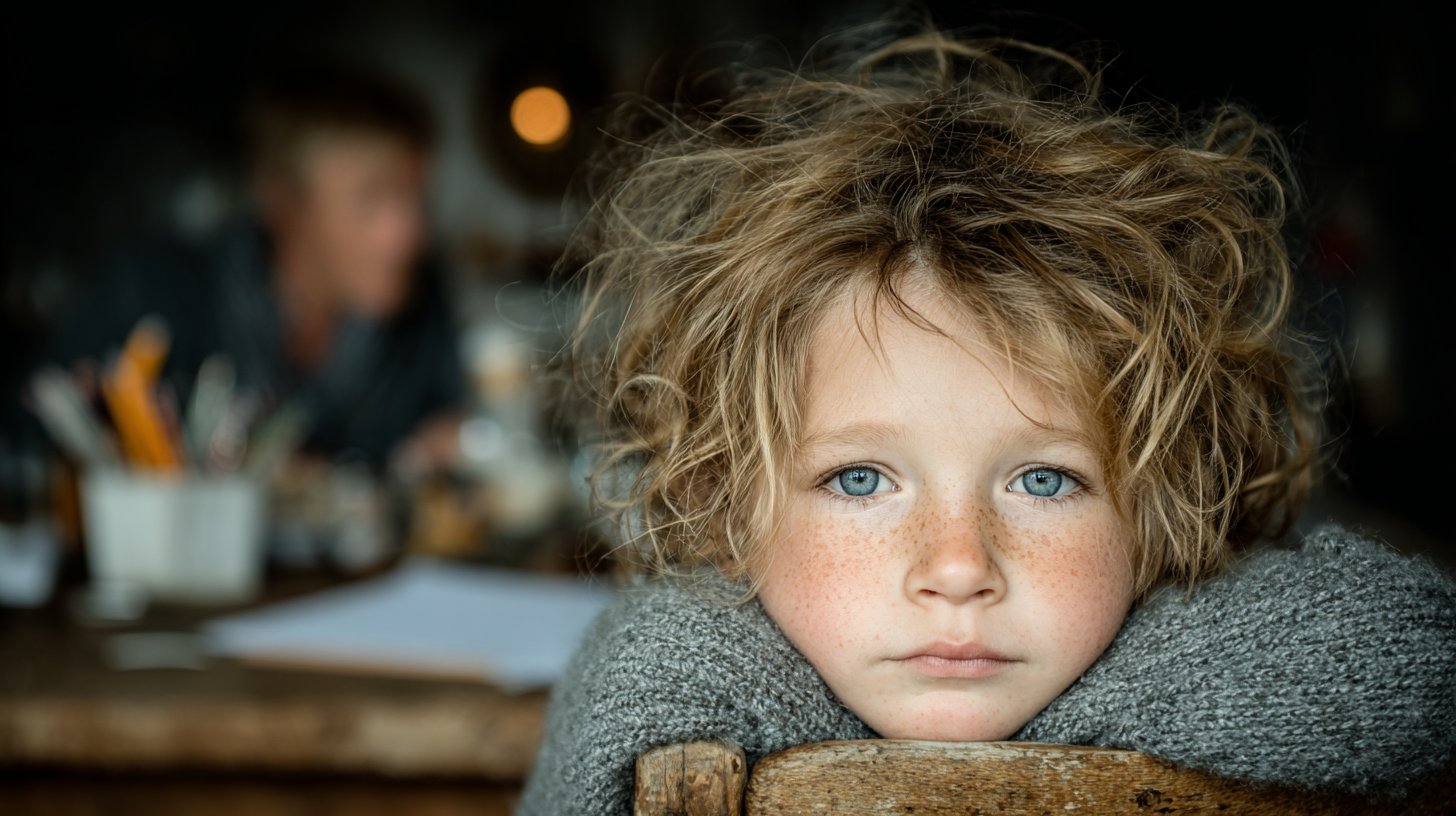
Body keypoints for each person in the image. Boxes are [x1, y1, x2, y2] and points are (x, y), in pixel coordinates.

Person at [518, 22, 1456, 815]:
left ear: (1167, 508)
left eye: (1044, 479)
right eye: (859, 479)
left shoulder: (1242, 620)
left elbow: (1418, 655)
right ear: (723, 505)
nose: (959, 568)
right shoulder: (663, 670)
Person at [49, 58, 465, 473]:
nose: (411, 233)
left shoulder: (423, 311)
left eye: (417, 199)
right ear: (281, 201)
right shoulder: (151, 294)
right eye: (370, 200)